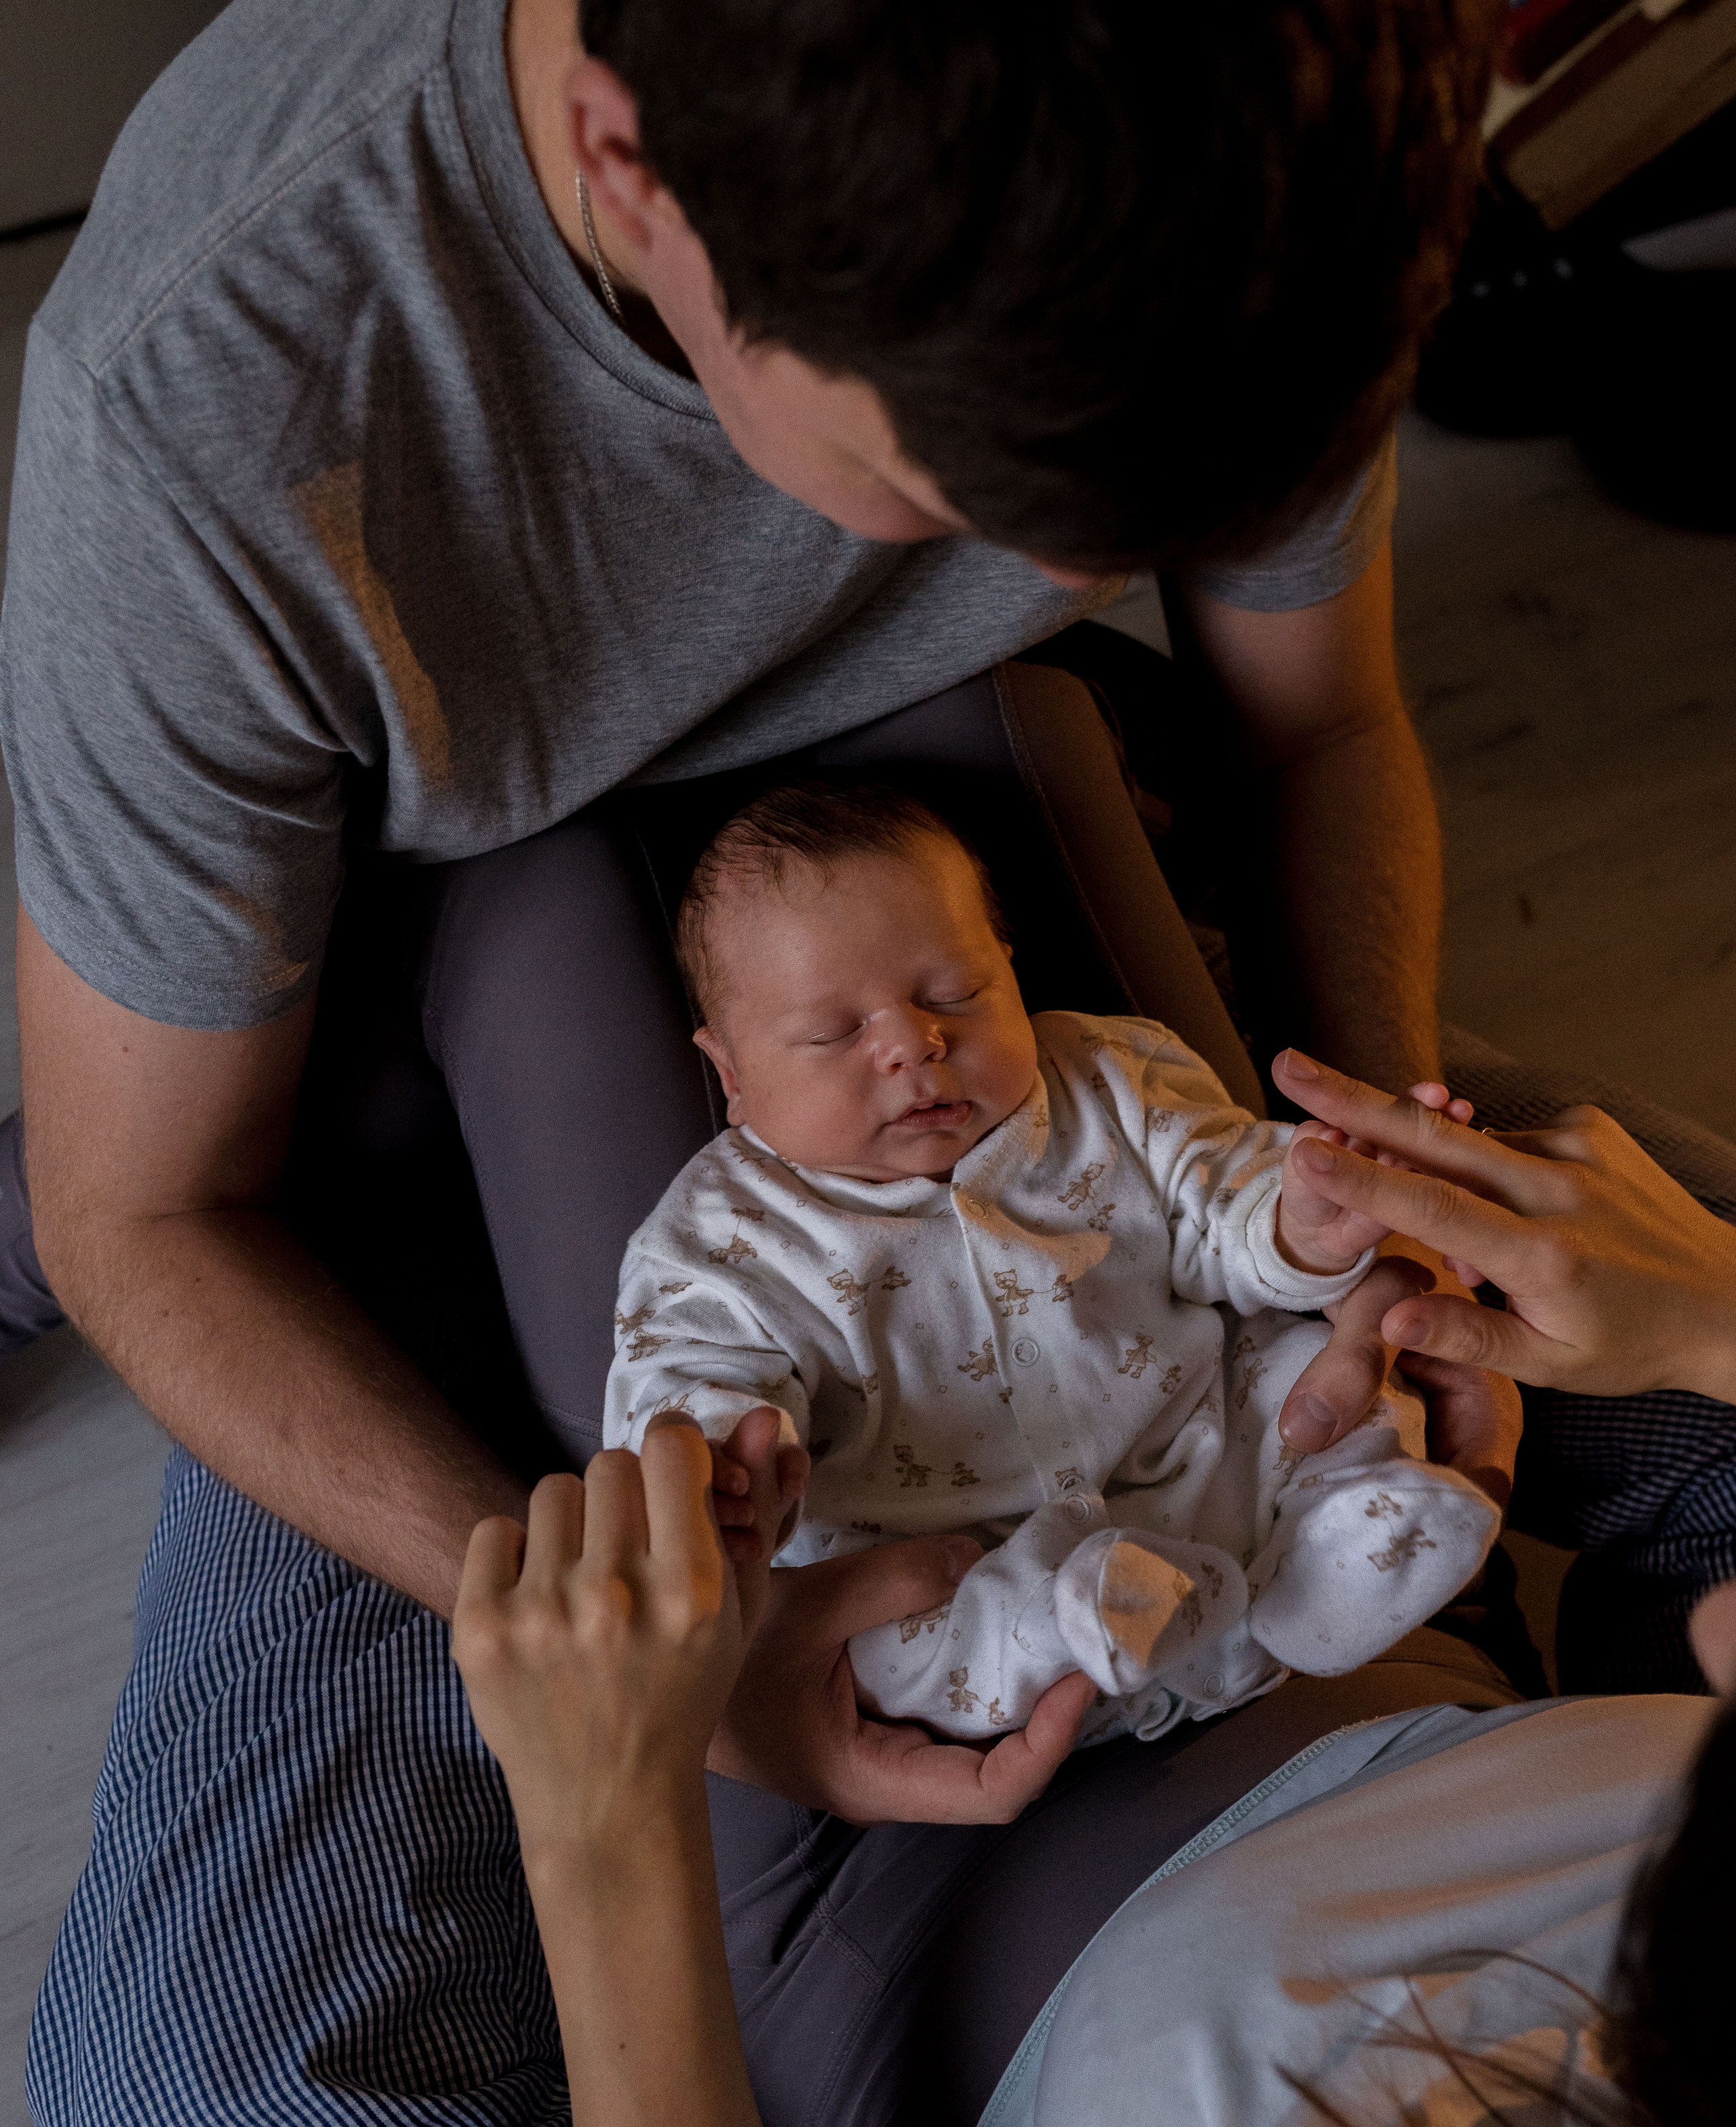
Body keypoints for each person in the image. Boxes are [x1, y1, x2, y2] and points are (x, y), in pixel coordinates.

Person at [0, 0, 1498, 1829]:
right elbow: (147, 1212)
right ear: (634, 179)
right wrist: (655, 1657)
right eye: (969, 489)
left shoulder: (1263, 143)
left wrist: (1399, 1241)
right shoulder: (207, 398)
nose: (1085, 572)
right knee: (232, 2094)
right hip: (393, 963)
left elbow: (1319, 724)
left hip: (975, 823)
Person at [444, 1078, 1736, 2127]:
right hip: (1341, 1613)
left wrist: (603, 1818)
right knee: (1099, 1070)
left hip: (928, 1926)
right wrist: (1711, 1314)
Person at [607, 781, 1498, 1736]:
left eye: (956, 992)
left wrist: (1307, 1218)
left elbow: (1221, 1206)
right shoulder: (721, 1236)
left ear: (1011, 969)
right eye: (834, 1033)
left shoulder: (1115, 1081)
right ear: (733, 1075)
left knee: (1311, 1376)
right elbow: (686, 1371)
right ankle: (1083, 1629)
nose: (914, 1041)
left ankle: (1337, 1567)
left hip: (1200, 1447)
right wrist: (726, 1461)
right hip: (972, 1556)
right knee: (887, 1636)